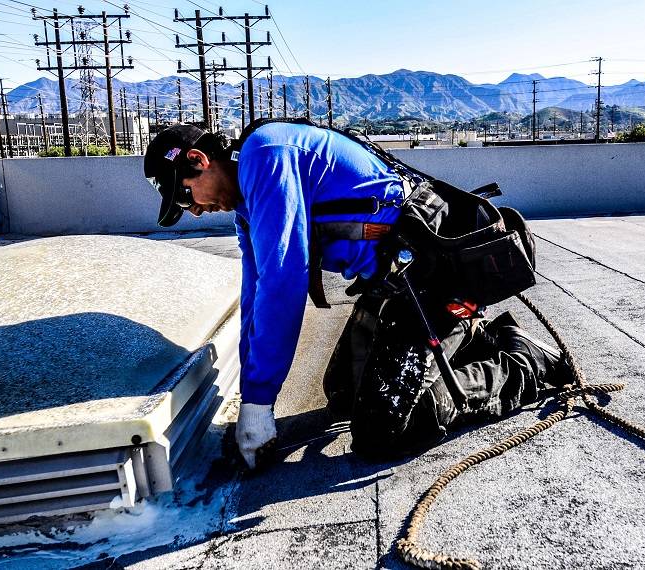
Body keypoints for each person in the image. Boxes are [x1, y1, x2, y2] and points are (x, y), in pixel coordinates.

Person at [143, 120, 567, 470]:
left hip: (427, 281)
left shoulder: (266, 155)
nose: (194, 211)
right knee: (343, 396)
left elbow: (284, 282)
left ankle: (522, 361)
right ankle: (472, 335)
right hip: (391, 287)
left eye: (185, 196)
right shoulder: (246, 207)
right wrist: (255, 397)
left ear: (199, 161)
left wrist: (258, 401)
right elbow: (255, 293)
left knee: (385, 431)